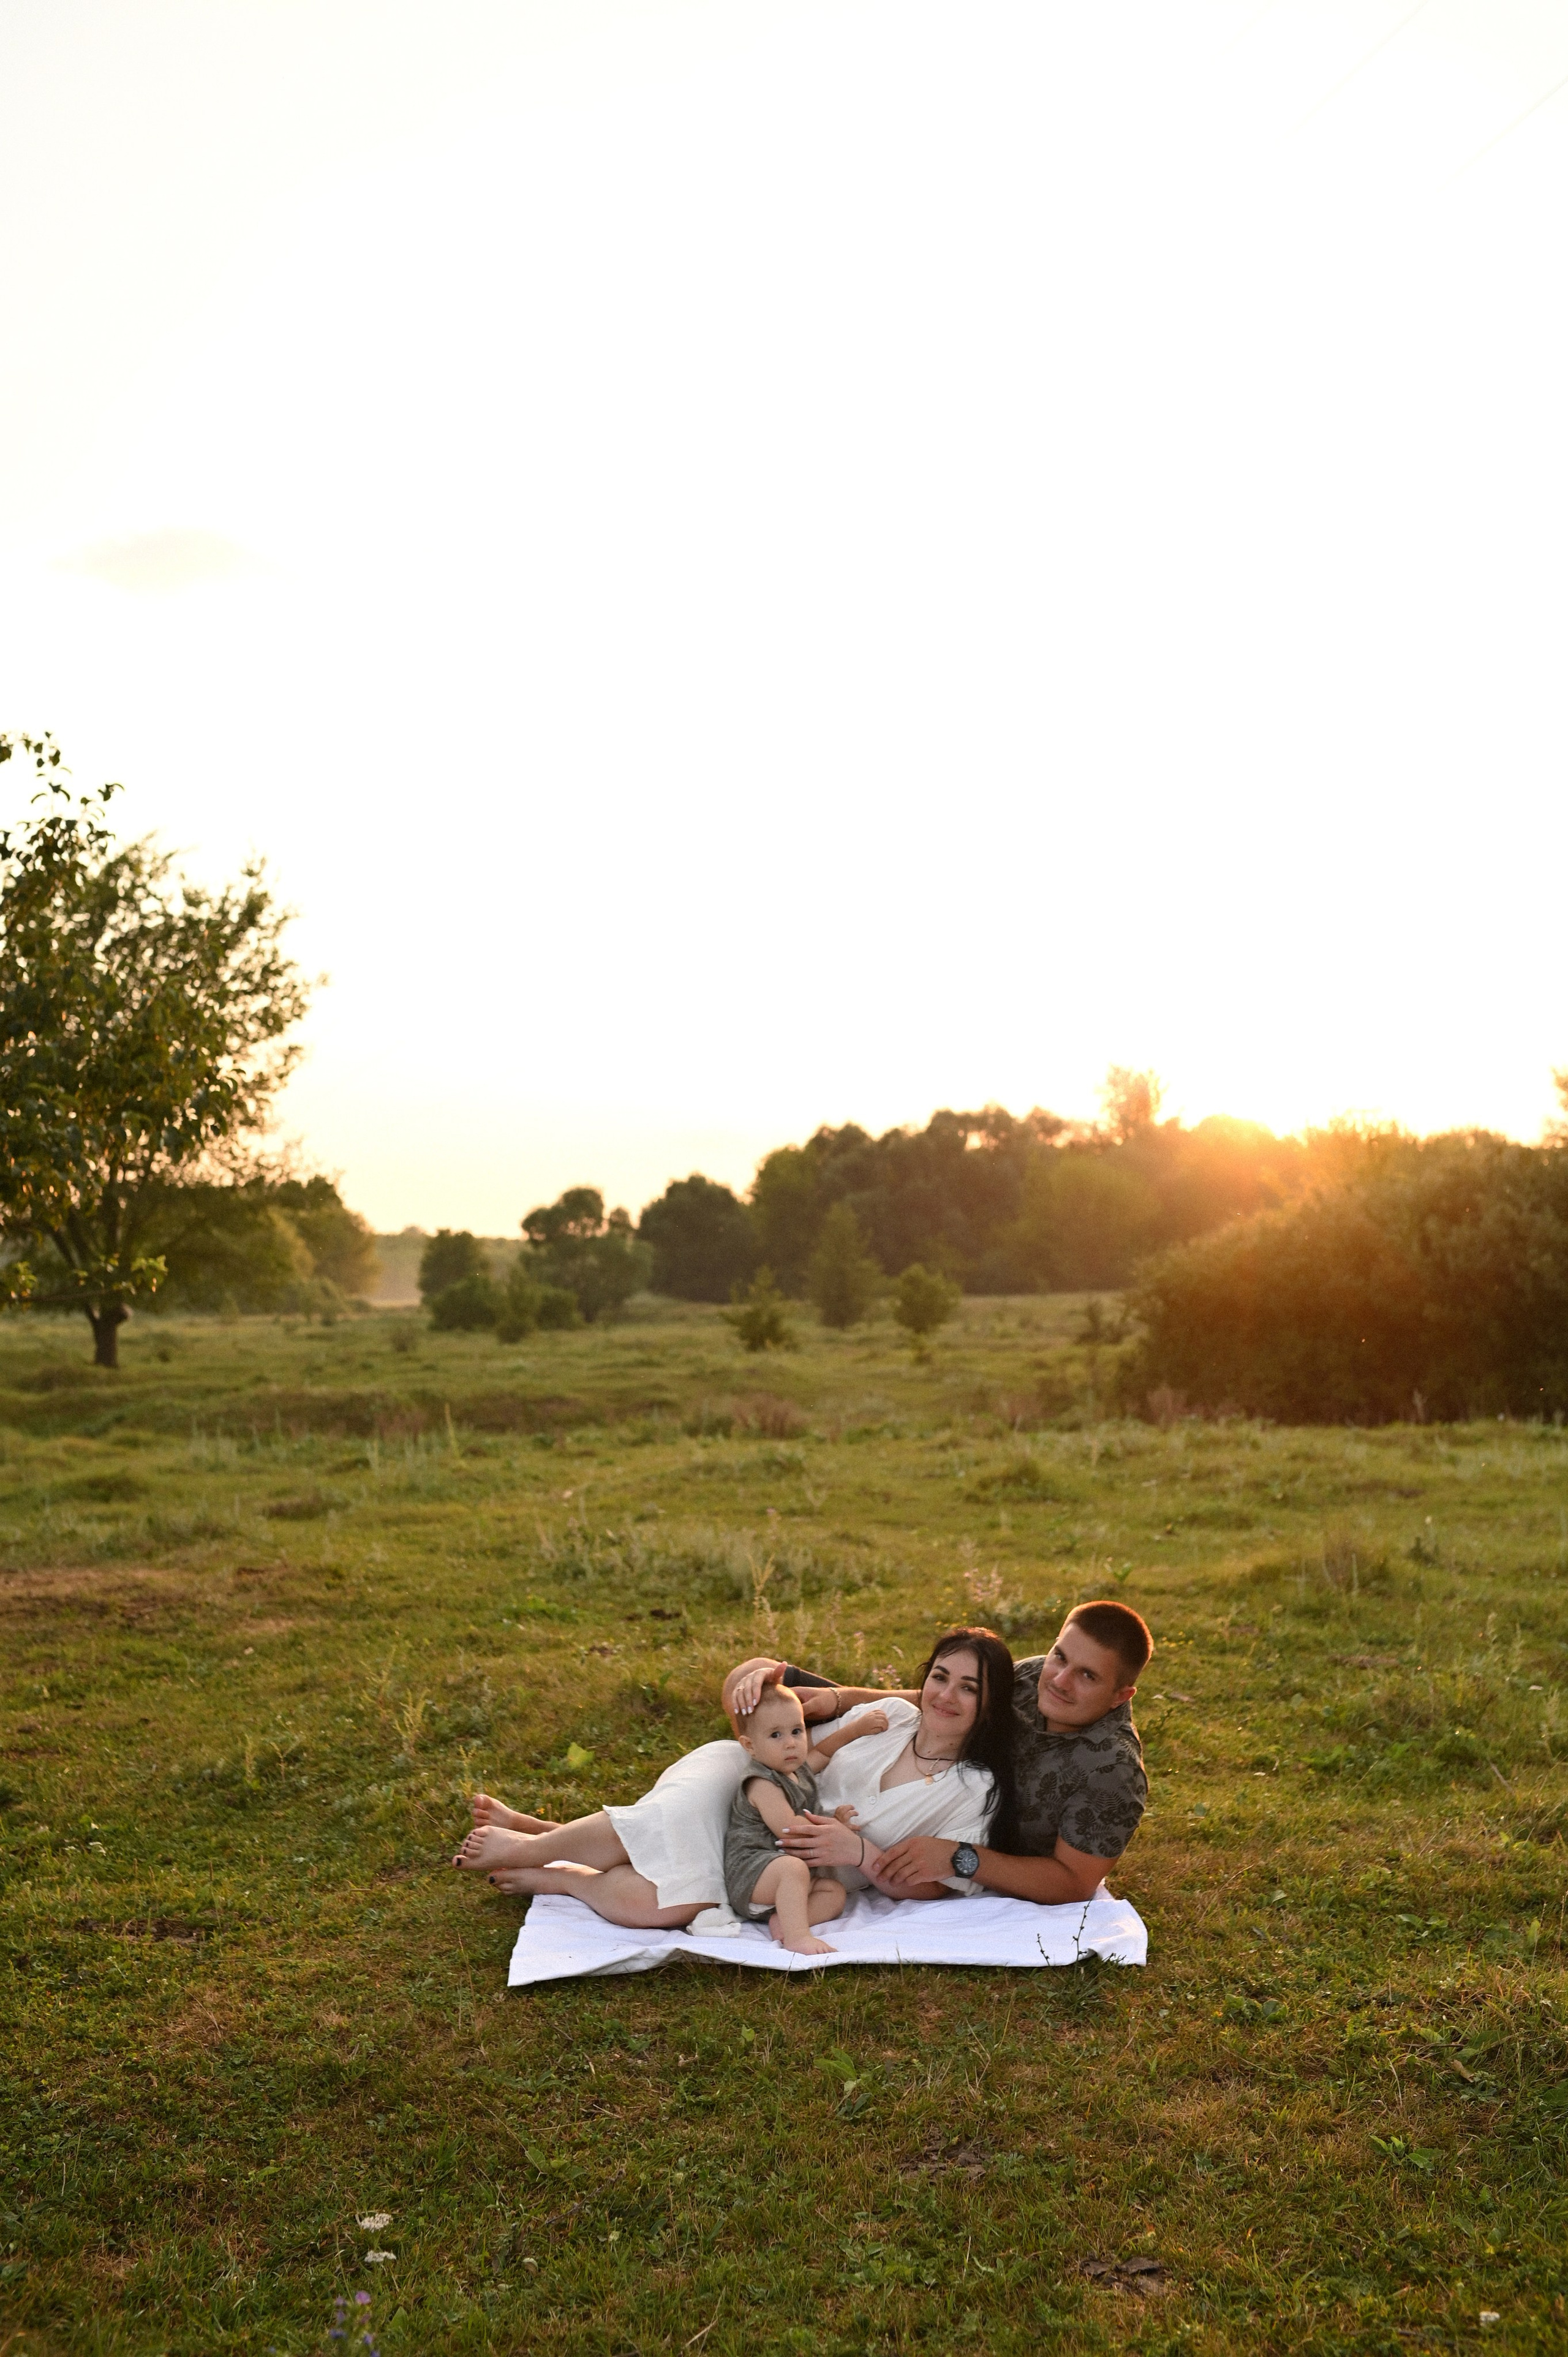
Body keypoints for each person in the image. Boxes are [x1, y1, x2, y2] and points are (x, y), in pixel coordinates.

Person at [450, 1626, 1017, 1932]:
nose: (946, 1695)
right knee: (673, 1818)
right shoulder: (892, 1717)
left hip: (788, 1863)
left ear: (990, 1705)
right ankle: (532, 1843)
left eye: (969, 1687)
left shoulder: (975, 1791)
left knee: (667, 1906)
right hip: (755, 1781)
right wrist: (752, 1687)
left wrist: (861, 1852)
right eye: (940, 1677)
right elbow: (784, 1732)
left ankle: (562, 1878)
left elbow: (934, 1885)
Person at [733, 1599, 1152, 1906]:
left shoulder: (1112, 1770)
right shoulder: (1034, 1675)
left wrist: (962, 1858)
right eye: (1060, 1656)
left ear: (1120, 1695)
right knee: (752, 1678)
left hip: (952, 1810)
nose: (1060, 1680)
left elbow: (1075, 1884)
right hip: (916, 1744)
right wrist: (842, 1699)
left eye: (1087, 1676)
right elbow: (945, 1696)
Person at [722, 1683, 882, 1955]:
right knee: (793, 1869)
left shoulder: (799, 1772)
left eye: (797, 1731)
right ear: (750, 1746)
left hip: (786, 1887)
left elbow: (823, 1752)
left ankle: (782, 1923)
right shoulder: (762, 1783)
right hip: (753, 1875)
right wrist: (835, 1829)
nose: (791, 1742)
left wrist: (857, 1729)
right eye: (776, 1735)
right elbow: (789, 1829)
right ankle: (798, 1938)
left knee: (834, 1892)